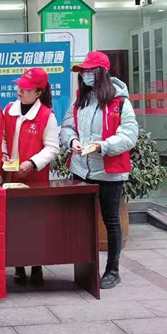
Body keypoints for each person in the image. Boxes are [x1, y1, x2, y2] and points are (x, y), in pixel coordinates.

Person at [60, 51, 138, 290]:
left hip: (109, 171)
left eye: (89, 71)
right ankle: (85, 267)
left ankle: (113, 270)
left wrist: (102, 146)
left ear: (102, 73)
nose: (85, 75)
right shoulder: (80, 100)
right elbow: (67, 126)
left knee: (111, 220)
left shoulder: (120, 102)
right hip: (81, 169)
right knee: (82, 219)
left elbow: (129, 135)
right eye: (82, 71)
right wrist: (72, 141)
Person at [2, 68, 61, 286]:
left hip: (34, 178)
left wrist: (32, 163)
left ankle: (37, 265)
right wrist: (3, 152)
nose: (20, 91)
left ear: (38, 93)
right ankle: (18, 266)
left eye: (26, 89)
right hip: (11, 176)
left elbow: (52, 148)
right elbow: (3, 136)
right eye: (19, 86)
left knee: (35, 223)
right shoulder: (9, 109)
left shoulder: (46, 115)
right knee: (15, 223)